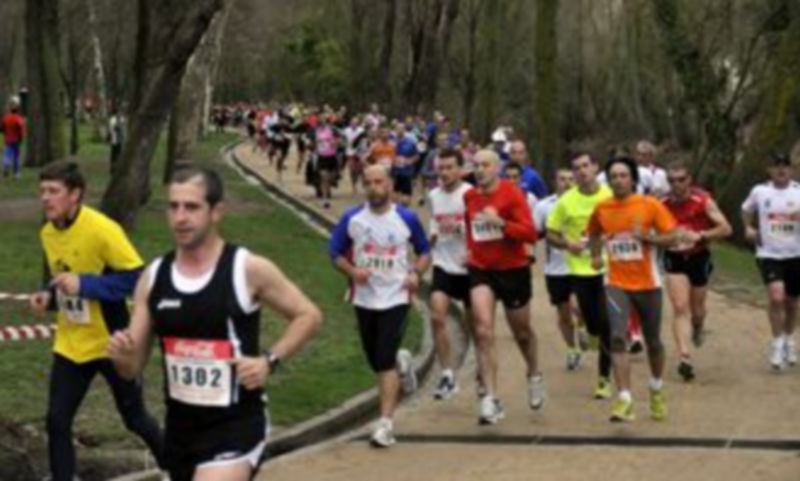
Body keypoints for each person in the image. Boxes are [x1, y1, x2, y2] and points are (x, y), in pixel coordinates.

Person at [109, 167, 322, 480]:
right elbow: (131, 368)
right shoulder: (154, 278)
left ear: (216, 212)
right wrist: (122, 356)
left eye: (192, 207)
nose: (180, 217)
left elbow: (309, 315)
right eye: (174, 206)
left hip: (236, 425)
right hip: (181, 431)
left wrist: (269, 361)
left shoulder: (246, 269)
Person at [28, 161, 164, 481]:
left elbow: (138, 279)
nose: (45, 198)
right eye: (42, 191)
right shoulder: (47, 233)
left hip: (112, 342)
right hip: (72, 343)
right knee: (57, 420)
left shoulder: (103, 229)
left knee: (134, 419)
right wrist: (48, 297)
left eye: (53, 191)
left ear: (75, 195)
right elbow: (63, 277)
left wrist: (86, 285)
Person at [330, 164, 431, 447]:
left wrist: (415, 273)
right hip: (365, 297)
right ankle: (403, 360)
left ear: (389, 185)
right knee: (375, 359)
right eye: (368, 182)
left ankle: (385, 424)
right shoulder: (353, 218)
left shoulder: (406, 218)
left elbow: (424, 251)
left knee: (383, 360)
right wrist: (352, 272)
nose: (374, 187)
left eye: (379, 182)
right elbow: (334, 253)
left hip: (396, 296)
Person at [587, 156, 678, 423]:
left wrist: (648, 238)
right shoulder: (602, 208)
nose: (618, 180)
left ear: (633, 179)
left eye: (623, 175)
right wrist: (595, 255)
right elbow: (593, 232)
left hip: (648, 283)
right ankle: (624, 398)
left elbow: (672, 237)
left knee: (653, 342)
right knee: (617, 337)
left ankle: (656, 388)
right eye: (613, 175)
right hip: (616, 282)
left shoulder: (649, 205)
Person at [464, 149, 543, 425]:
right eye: (476, 165)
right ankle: (491, 399)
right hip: (481, 270)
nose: (480, 170)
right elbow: (470, 226)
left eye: (485, 165)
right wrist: (470, 251)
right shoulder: (470, 196)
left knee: (521, 333)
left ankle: (533, 373)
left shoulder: (512, 194)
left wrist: (501, 223)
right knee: (483, 329)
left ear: (496, 168)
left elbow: (531, 233)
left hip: (513, 270)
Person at [547, 153, 614, 399]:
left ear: (595, 167)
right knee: (593, 321)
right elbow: (551, 233)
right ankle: (591, 330)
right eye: (577, 168)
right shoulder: (567, 202)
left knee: (607, 323)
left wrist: (612, 236)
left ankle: (604, 379)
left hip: (608, 267)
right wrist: (567, 244)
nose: (582, 171)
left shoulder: (609, 195)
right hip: (579, 270)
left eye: (586, 166)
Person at [661, 160, 732, 381]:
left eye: (681, 179)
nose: (676, 184)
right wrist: (666, 239)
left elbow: (726, 228)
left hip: (699, 256)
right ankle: (685, 357)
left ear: (689, 180)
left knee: (697, 310)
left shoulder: (702, 200)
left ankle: (698, 326)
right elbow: (650, 231)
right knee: (680, 306)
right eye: (671, 180)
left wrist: (700, 236)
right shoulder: (661, 203)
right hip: (674, 258)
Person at [741, 152, 800, 370]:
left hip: (795, 254)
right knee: (776, 297)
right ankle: (776, 343)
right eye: (777, 166)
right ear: (770, 170)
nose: (781, 170)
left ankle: (788, 338)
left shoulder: (798, 192)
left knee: (792, 302)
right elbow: (745, 210)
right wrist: (748, 227)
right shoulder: (760, 191)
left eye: (785, 166)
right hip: (768, 253)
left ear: (791, 170)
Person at [426, 148, 473, 400]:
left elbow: (480, 229)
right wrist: (426, 247)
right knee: (436, 316)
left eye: (449, 167)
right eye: (440, 168)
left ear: (460, 169)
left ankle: (480, 370)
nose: (443, 173)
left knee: (476, 326)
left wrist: (474, 252)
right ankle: (447, 373)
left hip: (469, 267)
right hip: (443, 264)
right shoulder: (433, 195)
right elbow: (434, 225)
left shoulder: (470, 194)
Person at [534, 168, 586, 370]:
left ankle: (582, 326)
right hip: (555, 269)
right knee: (564, 314)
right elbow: (535, 232)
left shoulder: (585, 202)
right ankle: (572, 349)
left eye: (571, 179)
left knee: (578, 306)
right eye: (562, 179)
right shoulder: (543, 206)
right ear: (555, 181)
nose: (567, 183)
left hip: (580, 265)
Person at [314, 115, 340, 208]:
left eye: (324, 120)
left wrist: (335, 143)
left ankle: (327, 190)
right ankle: (325, 199)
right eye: (321, 121)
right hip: (322, 156)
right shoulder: (317, 131)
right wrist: (316, 150)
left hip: (332, 156)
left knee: (330, 177)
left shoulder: (332, 130)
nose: (322, 122)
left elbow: (339, 140)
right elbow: (316, 143)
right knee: (324, 177)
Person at [392, 123, 419, 206]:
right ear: (395, 130)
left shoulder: (410, 143)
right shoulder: (391, 141)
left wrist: (410, 161)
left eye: (401, 128)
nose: (400, 130)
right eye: (398, 128)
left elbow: (417, 155)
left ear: (404, 130)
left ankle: (404, 210)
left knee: (405, 197)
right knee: (393, 196)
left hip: (405, 172)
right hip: (391, 172)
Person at [2, 96, 26, 179]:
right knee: (16, 157)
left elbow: (2, 128)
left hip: (8, 139)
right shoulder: (19, 118)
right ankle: (16, 173)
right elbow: (21, 129)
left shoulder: (6, 118)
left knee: (7, 154)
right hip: (17, 140)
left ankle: (6, 165)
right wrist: (22, 138)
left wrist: (6, 133)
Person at [108, 107, 125, 174]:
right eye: (119, 112)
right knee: (114, 155)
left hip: (119, 140)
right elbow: (114, 128)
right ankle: (113, 168)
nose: (120, 113)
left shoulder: (120, 119)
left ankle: (116, 167)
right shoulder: (113, 119)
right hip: (115, 140)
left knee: (117, 155)